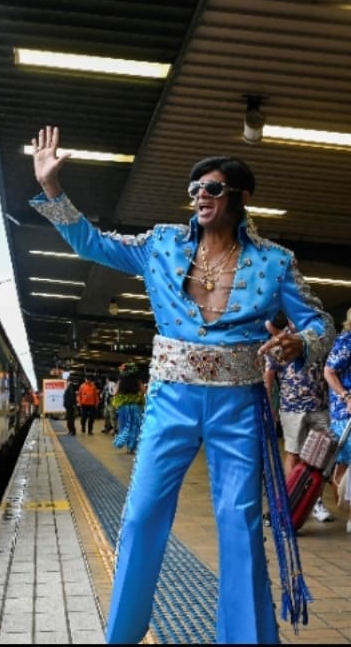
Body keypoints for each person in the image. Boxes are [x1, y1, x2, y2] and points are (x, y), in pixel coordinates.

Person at [29, 124, 335, 644]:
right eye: (195, 189)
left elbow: (321, 324)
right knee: (142, 514)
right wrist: (53, 188)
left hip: (239, 406)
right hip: (171, 400)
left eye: (212, 188)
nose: (200, 196)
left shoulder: (276, 262)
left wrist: (297, 344)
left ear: (240, 196)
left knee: (239, 525)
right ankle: (122, 635)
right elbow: (92, 244)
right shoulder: (161, 244)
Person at [263, 312, 334, 524]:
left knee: (320, 455)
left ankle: (315, 501)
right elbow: (269, 375)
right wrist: (269, 406)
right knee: (293, 452)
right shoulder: (282, 340)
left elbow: (331, 369)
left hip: (319, 405)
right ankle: (290, 499)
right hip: (292, 406)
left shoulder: (319, 337)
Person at [323, 306, 351, 533]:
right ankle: (349, 513)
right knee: (343, 464)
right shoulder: (346, 342)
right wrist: (346, 396)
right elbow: (329, 371)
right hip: (345, 413)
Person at [112, 363, 145, 454]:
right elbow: (144, 391)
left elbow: (115, 393)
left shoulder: (121, 380)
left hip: (124, 406)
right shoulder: (137, 380)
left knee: (125, 425)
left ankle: (126, 445)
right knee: (135, 426)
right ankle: (132, 447)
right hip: (135, 405)